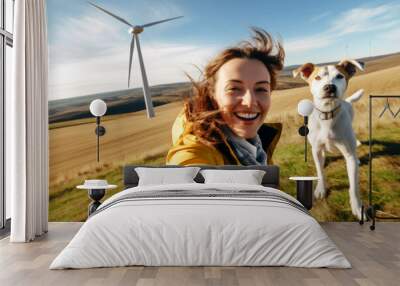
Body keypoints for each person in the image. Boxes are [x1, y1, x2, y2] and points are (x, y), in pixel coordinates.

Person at [166, 27, 285, 166]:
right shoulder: (198, 150)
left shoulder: (258, 146)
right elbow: (187, 172)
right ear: (212, 94)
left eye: (261, 89)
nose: (250, 101)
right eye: (234, 88)